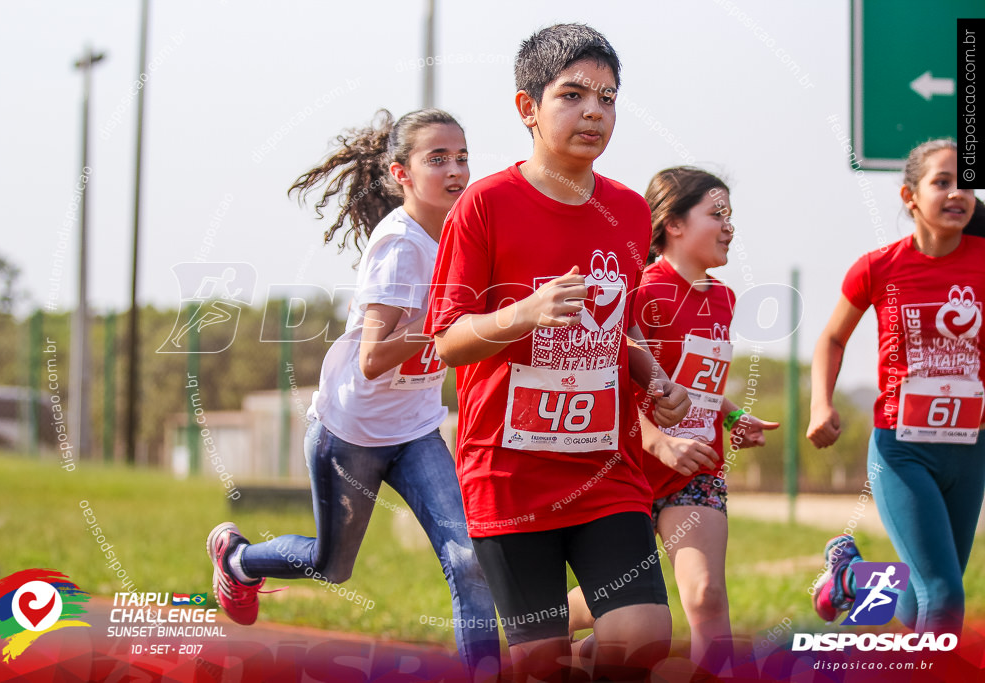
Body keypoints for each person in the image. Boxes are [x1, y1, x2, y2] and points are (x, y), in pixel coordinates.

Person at [428, 23, 692, 682]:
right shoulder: (484, 206)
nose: (594, 111)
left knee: (641, 638)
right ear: (528, 107)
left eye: (607, 97)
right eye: (573, 95)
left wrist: (653, 374)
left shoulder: (631, 212)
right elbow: (448, 340)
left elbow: (618, 326)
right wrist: (524, 313)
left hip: (606, 471)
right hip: (509, 476)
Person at [205, 109, 500, 678]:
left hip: (414, 427)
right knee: (331, 565)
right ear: (401, 174)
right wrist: (446, 326)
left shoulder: (464, 235)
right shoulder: (400, 246)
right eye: (436, 158)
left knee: (470, 563)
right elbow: (372, 358)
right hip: (352, 431)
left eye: (462, 156)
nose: (456, 169)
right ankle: (238, 559)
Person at [565, 168, 778, 672]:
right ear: (674, 224)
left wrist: (732, 416)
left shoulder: (724, 300)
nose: (729, 227)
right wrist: (659, 441)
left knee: (705, 595)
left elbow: (698, 381)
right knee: (616, 610)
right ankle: (548, 631)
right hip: (628, 471)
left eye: (731, 216)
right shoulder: (639, 291)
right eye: (717, 214)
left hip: (695, 473)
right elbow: (608, 381)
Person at [807, 139, 985, 635]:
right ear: (910, 197)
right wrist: (821, 404)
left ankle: (853, 582)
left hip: (970, 449)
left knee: (922, 596)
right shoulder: (878, 267)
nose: (957, 193)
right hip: (902, 450)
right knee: (944, 595)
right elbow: (832, 339)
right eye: (942, 182)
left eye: (966, 182)